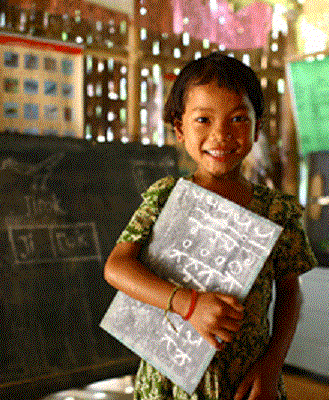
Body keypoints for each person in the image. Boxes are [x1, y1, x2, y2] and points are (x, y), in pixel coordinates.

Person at [104, 52, 317, 400]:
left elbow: (290, 293)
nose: (220, 135)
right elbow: (116, 268)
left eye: (237, 119)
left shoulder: (276, 211)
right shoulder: (164, 198)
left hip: (245, 381)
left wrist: (271, 365)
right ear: (179, 128)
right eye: (203, 119)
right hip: (167, 379)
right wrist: (189, 305)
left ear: (256, 128)